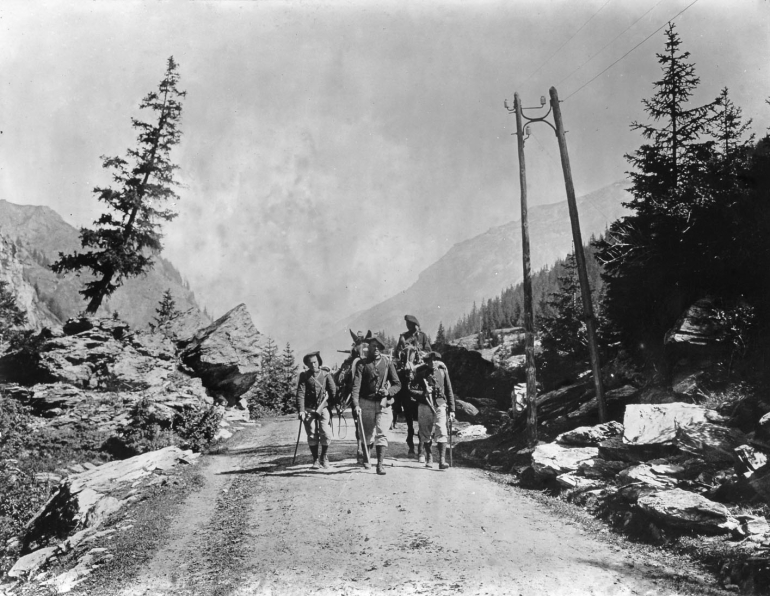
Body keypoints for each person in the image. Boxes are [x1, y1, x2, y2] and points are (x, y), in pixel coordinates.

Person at [351, 336, 401, 475]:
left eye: (378, 346)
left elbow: (398, 384)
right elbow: (356, 387)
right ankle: (367, 459)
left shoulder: (388, 363)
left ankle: (380, 464)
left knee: (382, 433)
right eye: (373, 346)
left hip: (383, 404)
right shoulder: (362, 364)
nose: (376, 349)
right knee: (366, 434)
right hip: (366, 403)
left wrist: (389, 391)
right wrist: (356, 404)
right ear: (369, 348)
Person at [393, 314, 432, 458]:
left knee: (430, 378)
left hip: (419, 366)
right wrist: (402, 355)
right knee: (398, 381)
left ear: (415, 325)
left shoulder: (422, 336)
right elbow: (397, 353)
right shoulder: (403, 337)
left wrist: (420, 353)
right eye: (407, 324)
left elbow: (428, 350)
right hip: (406, 367)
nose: (408, 327)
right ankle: (396, 406)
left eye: (410, 324)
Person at [414, 351, 455, 470]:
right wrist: (424, 393)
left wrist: (452, 409)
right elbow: (411, 389)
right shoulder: (420, 373)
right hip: (425, 405)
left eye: (435, 360)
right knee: (425, 431)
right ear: (426, 362)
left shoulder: (442, 372)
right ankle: (429, 457)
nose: (433, 363)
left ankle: (442, 460)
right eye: (430, 361)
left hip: (440, 404)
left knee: (442, 430)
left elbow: (449, 390)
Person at [296, 351, 337, 469]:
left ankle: (324, 457)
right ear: (307, 365)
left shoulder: (326, 375)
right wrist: (301, 410)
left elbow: (333, 392)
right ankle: (315, 460)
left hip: (323, 408)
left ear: (319, 361)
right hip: (309, 409)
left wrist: (331, 406)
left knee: (326, 433)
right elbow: (300, 394)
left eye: (315, 362)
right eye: (310, 363)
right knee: (312, 434)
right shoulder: (304, 376)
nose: (313, 365)